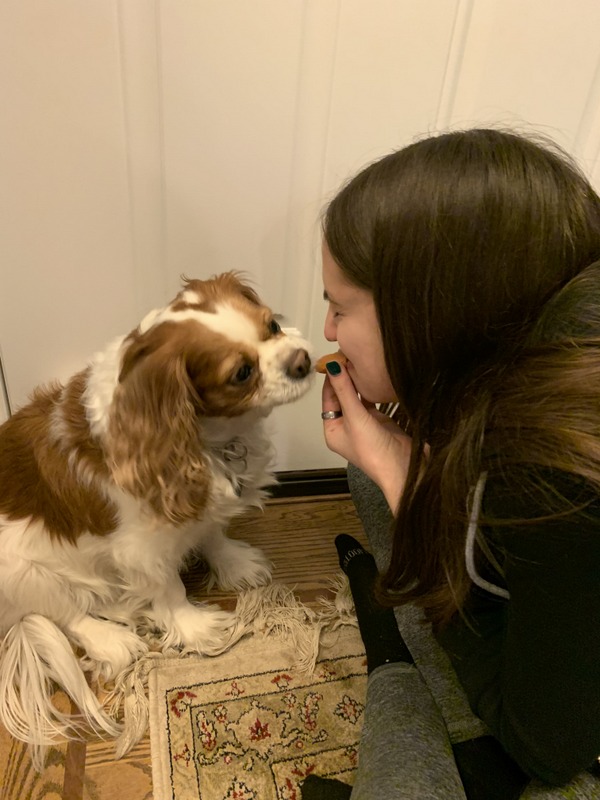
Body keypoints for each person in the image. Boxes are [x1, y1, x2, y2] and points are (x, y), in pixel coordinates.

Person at [304, 129, 600, 800]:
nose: (328, 332)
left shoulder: (551, 463)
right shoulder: (541, 348)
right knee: (369, 462)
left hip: (559, 738)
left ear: (430, 315)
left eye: (340, 308)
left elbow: (546, 749)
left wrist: (409, 493)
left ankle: (391, 656)